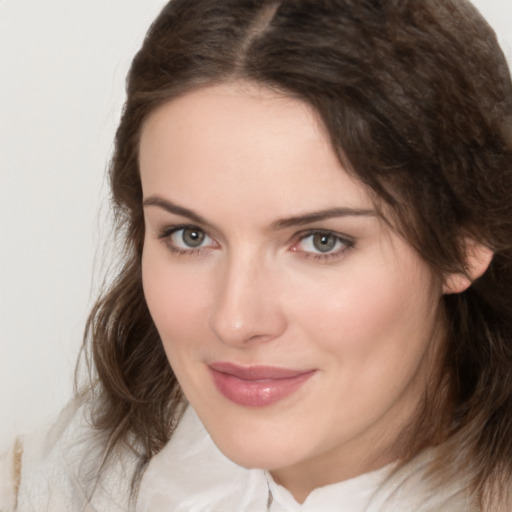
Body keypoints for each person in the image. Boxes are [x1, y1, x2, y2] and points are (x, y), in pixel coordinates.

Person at [2, 0, 512, 510]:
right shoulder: (49, 481)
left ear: (467, 242)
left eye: (320, 241)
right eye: (190, 236)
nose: (235, 320)